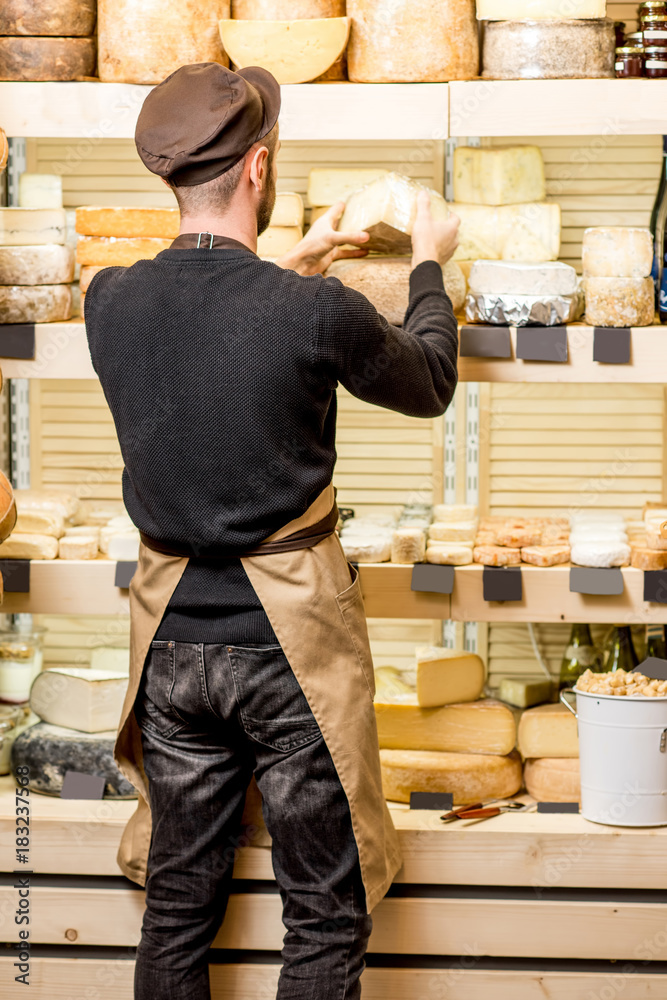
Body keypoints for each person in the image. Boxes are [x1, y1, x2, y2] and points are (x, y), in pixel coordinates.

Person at [85, 62, 460, 1000]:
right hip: (286, 645)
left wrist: (297, 255)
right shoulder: (315, 312)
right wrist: (427, 261)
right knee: (323, 915)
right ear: (259, 170)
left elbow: (216, 323)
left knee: (176, 908)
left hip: (168, 645)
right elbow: (429, 381)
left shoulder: (108, 300)